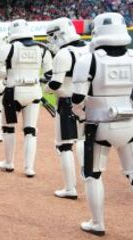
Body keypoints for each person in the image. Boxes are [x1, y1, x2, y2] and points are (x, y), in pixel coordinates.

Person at [72, 12, 133, 236]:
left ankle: (97, 223)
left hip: (99, 125)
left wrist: (78, 114)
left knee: (93, 174)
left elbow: (77, 99)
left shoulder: (88, 60)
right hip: (129, 124)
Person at [0, 19, 52, 177]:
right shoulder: (43, 49)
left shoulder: (7, 48)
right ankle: (29, 168)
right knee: (31, 130)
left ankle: (9, 163)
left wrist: (6, 74)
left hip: (12, 92)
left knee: (9, 128)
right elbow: (49, 74)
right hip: (34, 92)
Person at [45, 17, 90, 199]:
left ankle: (70, 187)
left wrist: (45, 87)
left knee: (64, 145)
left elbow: (55, 84)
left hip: (67, 101)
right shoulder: (89, 48)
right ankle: (86, 171)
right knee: (82, 139)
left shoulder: (63, 54)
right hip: (88, 100)